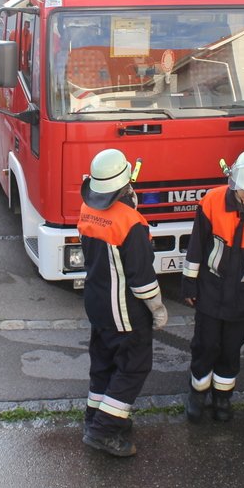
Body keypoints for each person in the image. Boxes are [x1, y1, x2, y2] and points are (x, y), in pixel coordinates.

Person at [181, 149, 244, 423]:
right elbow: (196, 246)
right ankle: (197, 394)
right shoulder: (211, 201)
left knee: (231, 348)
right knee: (205, 345)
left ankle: (223, 397)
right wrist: (189, 284)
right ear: (234, 180)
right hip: (211, 289)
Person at [79, 148, 168, 457]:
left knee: (103, 365)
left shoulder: (86, 209)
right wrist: (157, 309)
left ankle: (95, 417)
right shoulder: (131, 223)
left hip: (97, 304)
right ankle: (104, 430)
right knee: (133, 368)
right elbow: (142, 280)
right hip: (124, 312)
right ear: (126, 181)